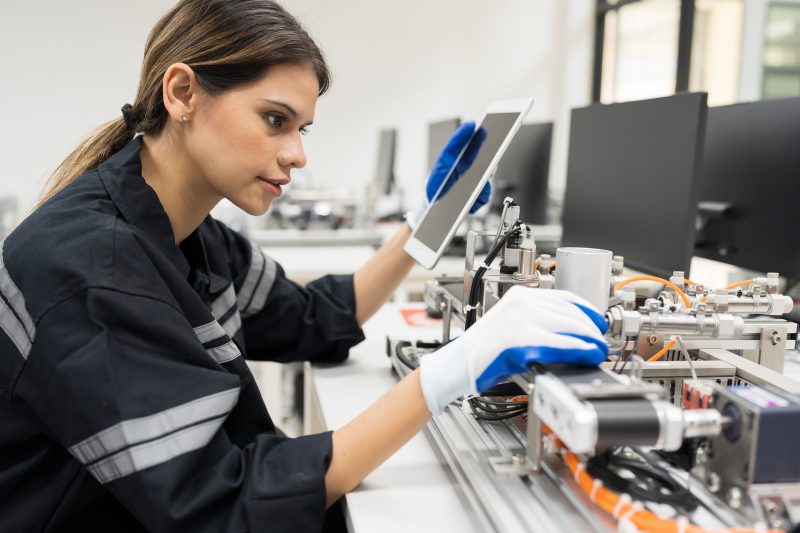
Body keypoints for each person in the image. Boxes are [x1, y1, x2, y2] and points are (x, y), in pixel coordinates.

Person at [0, 1, 608, 531]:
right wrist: (456, 369)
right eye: (275, 120)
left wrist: (425, 225)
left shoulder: (185, 230)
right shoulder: (91, 265)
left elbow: (313, 318)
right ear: (182, 93)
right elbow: (223, 504)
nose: (296, 154)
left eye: (302, 127)